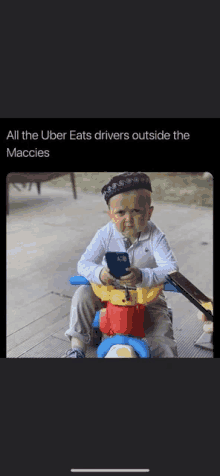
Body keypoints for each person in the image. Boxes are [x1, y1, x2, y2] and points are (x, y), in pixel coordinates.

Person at [65, 172, 179, 358]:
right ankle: (76, 348)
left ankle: (165, 357)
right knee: (82, 294)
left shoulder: (155, 236)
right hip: (109, 291)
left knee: (161, 327)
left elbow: (171, 269)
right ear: (111, 215)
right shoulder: (105, 234)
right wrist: (100, 273)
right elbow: (84, 263)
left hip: (145, 294)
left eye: (136, 211)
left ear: (149, 212)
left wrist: (143, 275)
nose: (128, 218)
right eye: (121, 212)